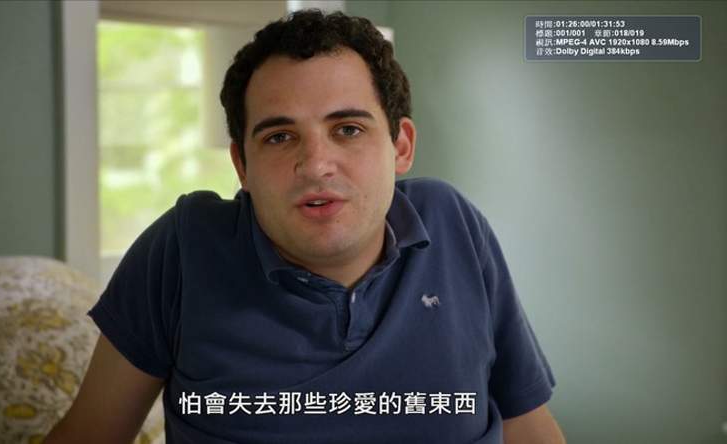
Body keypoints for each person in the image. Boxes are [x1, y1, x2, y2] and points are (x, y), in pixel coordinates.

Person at [47, 10, 565, 444]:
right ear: (242, 165)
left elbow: (527, 424)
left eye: (348, 129)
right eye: (279, 137)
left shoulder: (454, 224)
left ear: (401, 146)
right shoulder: (185, 247)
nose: (316, 165)